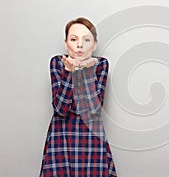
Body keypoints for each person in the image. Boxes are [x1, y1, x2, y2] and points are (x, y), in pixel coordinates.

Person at [40, 17, 117, 176]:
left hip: (90, 138)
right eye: (74, 39)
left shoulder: (101, 65)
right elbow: (61, 108)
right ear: (66, 42)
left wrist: (86, 71)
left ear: (94, 44)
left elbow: (94, 109)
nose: (80, 45)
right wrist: (70, 71)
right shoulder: (58, 63)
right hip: (61, 137)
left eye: (86, 39)